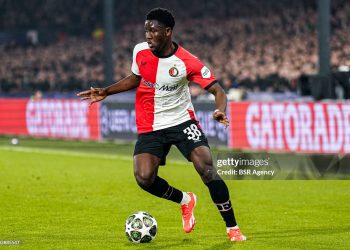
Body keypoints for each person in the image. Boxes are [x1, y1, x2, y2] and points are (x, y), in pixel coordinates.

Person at [77, 8, 246, 241]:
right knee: (144, 178)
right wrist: (106, 91)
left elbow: (218, 90)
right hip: (151, 124)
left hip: (182, 121)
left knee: (206, 168)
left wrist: (219, 110)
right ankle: (185, 200)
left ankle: (232, 228)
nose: (148, 35)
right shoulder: (140, 51)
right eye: (146, 30)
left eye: (153, 30)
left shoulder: (187, 62)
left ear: (167, 32)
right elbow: (136, 77)